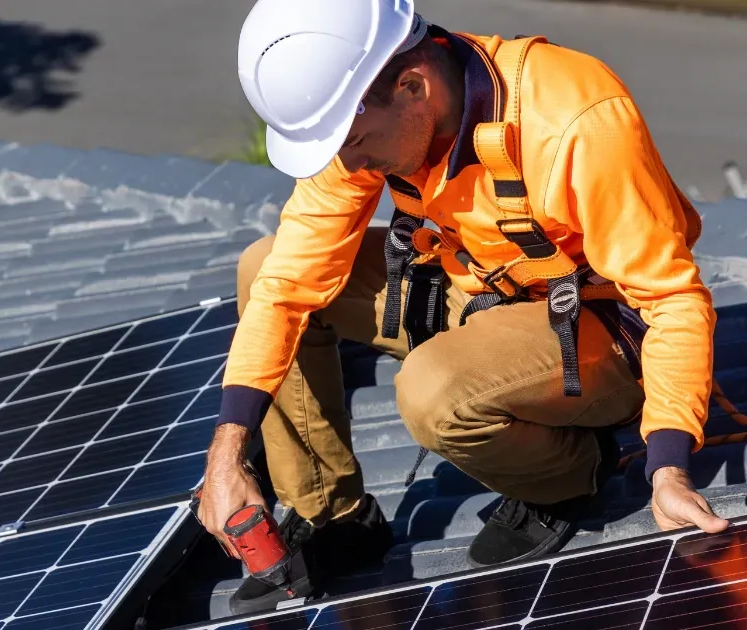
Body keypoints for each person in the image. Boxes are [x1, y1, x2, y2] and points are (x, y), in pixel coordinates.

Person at [199, 0, 731, 615]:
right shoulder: (370, 116)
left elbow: (671, 301)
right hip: (484, 289)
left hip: (600, 328)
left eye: (356, 142)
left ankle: (566, 475)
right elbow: (285, 284)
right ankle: (334, 516)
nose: (350, 165)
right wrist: (227, 454)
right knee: (263, 264)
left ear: (413, 86)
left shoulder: (575, 118)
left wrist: (668, 468)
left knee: (432, 391)